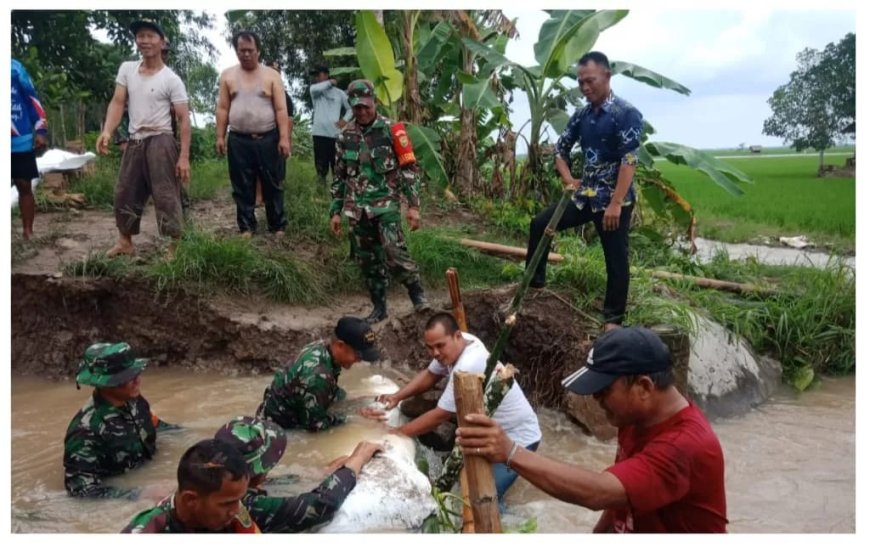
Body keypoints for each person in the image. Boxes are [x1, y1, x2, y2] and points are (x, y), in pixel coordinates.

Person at [455, 327, 728, 533]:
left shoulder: (683, 445)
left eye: (603, 390)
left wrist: (510, 452)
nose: (595, 399)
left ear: (644, 387)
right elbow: (621, 502)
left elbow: (599, 492)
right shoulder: (635, 420)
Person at [369, 312, 541, 511]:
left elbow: (440, 415)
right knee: (462, 487)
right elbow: (430, 374)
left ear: (457, 336)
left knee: (485, 501)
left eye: (440, 346)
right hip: (491, 433)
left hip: (518, 439)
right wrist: (397, 396)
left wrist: (396, 433)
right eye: (430, 347)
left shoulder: (467, 365)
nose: (435, 353)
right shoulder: (465, 342)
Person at [525, 51, 643, 331]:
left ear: (606, 76)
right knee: (540, 224)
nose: (585, 87)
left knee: (615, 258)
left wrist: (615, 203)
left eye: (590, 81)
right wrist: (568, 179)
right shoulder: (582, 115)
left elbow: (629, 160)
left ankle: (612, 320)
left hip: (614, 201)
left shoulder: (626, 114)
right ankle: (535, 286)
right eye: (580, 82)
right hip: (584, 196)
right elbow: (560, 149)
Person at [330, 79, 430, 324]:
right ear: (352, 106)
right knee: (369, 261)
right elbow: (340, 176)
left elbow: (409, 170)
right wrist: (335, 211)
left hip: (385, 205)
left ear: (374, 101)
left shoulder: (392, 130)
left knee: (393, 251)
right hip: (357, 209)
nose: (362, 111)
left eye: (366, 106)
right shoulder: (345, 136)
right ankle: (379, 307)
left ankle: (418, 296)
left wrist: (413, 206)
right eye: (357, 107)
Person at [96, 19, 191, 258]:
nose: (145, 41)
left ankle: (175, 244)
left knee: (166, 193)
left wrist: (184, 157)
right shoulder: (127, 69)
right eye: (140, 36)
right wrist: (107, 131)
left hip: (161, 140)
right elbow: (118, 102)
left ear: (162, 42)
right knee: (124, 191)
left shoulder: (171, 79)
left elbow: (183, 119)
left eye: (150, 36)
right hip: (135, 140)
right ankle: (125, 242)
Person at [214, 416, 383, 532]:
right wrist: (358, 460)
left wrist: (324, 473)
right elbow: (320, 506)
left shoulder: (216, 478)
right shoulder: (241, 505)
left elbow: (268, 484)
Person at [63, 342, 178, 499]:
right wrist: (139, 494)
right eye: (128, 377)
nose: (137, 380)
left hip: (148, 469)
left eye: (136, 373)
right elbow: (81, 491)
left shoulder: (135, 401)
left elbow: (159, 427)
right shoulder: (86, 431)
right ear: (106, 384)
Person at [215, 31, 290, 238]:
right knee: (242, 184)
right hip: (239, 139)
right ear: (237, 51)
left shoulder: (271, 76)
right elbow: (222, 108)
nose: (246, 54)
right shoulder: (228, 75)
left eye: (250, 50)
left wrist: (284, 138)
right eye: (242, 51)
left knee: (272, 182)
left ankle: (277, 226)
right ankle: (247, 227)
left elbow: (281, 110)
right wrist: (220, 136)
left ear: (258, 51)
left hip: (268, 137)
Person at [257, 316, 381, 431]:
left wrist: (355, 400)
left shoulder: (322, 348)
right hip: (276, 430)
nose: (359, 360)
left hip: (274, 411)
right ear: (340, 346)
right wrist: (353, 418)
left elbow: (331, 391)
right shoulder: (317, 376)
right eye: (358, 355)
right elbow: (315, 426)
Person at [122, 439, 260, 533]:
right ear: (190, 500)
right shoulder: (148, 532)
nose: (235, 511)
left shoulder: (232, 507)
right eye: (227, 503)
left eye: (239, 499)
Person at [11, 58, 48, 241]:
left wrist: (40, 130)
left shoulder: (16, 69)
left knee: (23, 184)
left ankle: (28, 231)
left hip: (20, 139)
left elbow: (33, 100)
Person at [308, 65, 352, 182]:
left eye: (318, 74)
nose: (316, 77)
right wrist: (330, 82)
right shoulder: (314, 90)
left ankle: (337, 193)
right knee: (320, 168)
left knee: (336, 166)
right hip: (319, 134)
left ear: (326, 74)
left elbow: (350, 109)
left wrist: (345, 120)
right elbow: (316, 88)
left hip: (335, 134)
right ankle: (320, 193)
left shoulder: (340, 93)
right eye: (315, 75)